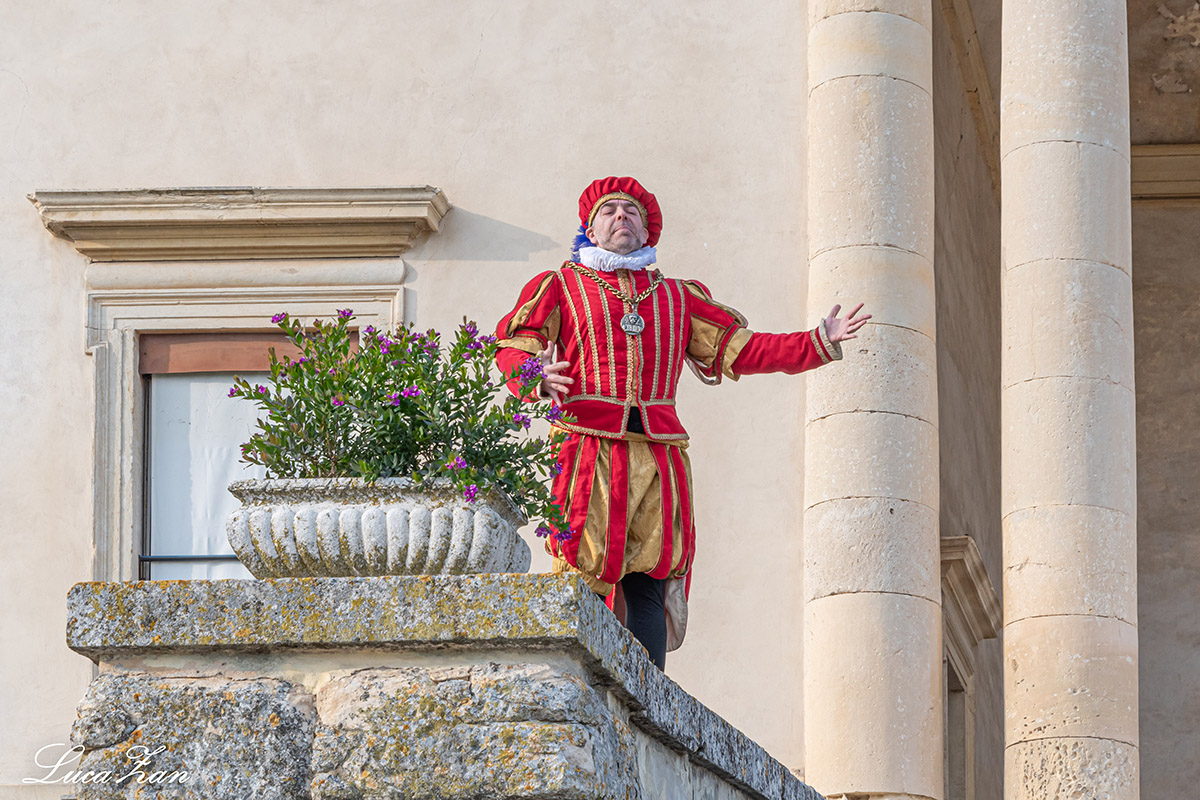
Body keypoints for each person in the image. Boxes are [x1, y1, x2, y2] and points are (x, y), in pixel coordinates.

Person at [494, 176, 868, 670]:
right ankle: (582, 677)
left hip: (659, 452)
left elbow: (744, 349)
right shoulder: (561, 286)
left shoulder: (677, 297)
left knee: (651, 575)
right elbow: (514, 346)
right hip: (588, 447)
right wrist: (535, 376)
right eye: (609, 211)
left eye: (631, 211)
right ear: (590, 227)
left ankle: (649, 692)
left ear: (647, 229)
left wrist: (816, 341)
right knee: (584, 566)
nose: (621, 217)